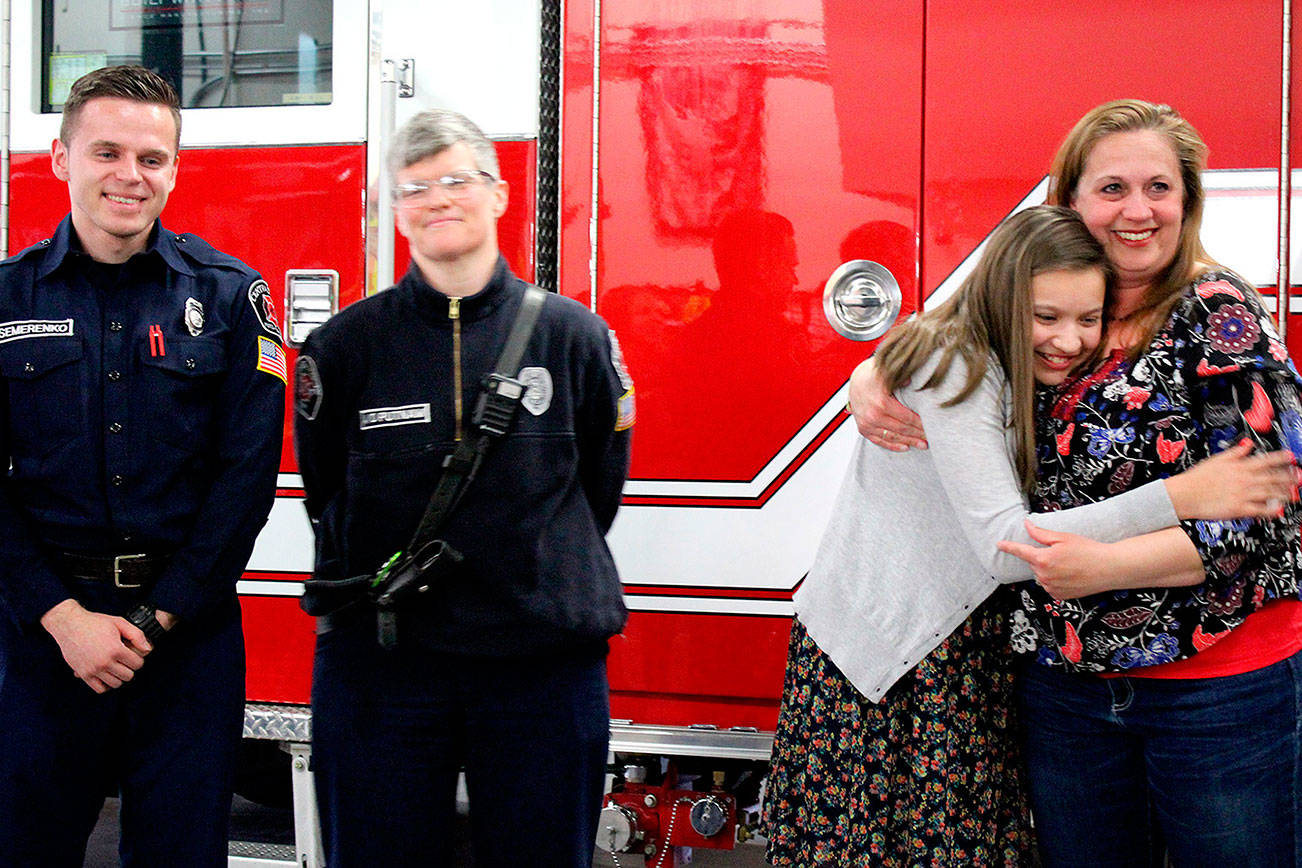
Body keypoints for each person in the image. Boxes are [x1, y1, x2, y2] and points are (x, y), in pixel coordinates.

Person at [763, 205, 1296, 867]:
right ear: (1004, 296)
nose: (1069, 340)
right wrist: (1183, 497)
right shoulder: (955, 363)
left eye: (1088, 318)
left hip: (960, 657)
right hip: (891, 665)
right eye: (1047, 316)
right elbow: (1006, 546)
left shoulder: (1015, 363)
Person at [294, 109, 634, 867]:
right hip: (385, 667)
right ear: (395, 209)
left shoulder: (574, 338)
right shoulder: (344, 347)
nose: (438, 199)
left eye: (457, 180)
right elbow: (326, 494)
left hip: (539, 668)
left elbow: (597, 488)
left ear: (500, 194)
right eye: (416, 187)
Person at [0, 66, 285, 867]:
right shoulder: (6, 298)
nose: (130, 175)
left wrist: (158, 618)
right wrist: (63, 619)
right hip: (40, 641)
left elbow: (246, 480)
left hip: (184, 645)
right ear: (61, 158)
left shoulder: (233, 298)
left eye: (152, 158)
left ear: (175, 169)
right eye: (107, 152)